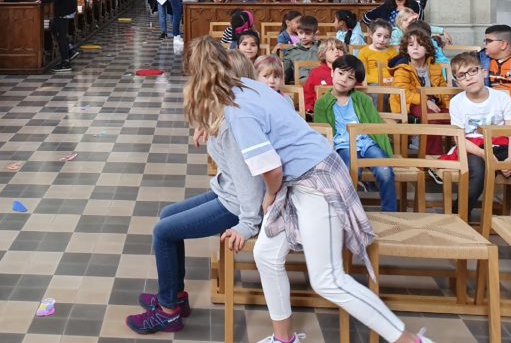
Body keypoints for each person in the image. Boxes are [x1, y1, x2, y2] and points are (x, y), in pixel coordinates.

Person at [186, 37, 436, 343]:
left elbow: (272, 169)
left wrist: (269, 195)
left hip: (316, 179)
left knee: (327, 278)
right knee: (265, 254)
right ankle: (284, 339)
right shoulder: (249, 89)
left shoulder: (239, 110)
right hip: (298, 179)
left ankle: (411, 341)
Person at [125, 41, 264, 335]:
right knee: (167, 216)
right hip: (227, 191)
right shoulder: (226, 109)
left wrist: (248, 224)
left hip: (236, 205)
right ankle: (175, 296)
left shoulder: (233, 122)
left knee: (162, 232)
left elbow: (249, 182)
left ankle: (168, 312)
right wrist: (206, 125)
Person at [313, 54, 397, 212]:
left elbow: (376, 125)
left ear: (355, 83)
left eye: (350, 77)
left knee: (385, 171)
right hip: (343, 146)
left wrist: (387, 152)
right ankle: (349, 213)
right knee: (350, 172)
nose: (344, 79)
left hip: (367, 143)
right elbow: (323, 133)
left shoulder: (363, 99)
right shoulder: (322, 104)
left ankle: (390, 212)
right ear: (332, 72)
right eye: (340, 73)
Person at [447, 52, 511, 220]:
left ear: (483, 72)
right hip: (473, 149)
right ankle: (458, 216)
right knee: (477, 174)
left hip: (499, 144)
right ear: (457, 82)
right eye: (462, 75)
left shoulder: (502, 97)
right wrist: (485, 155)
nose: (468, 77)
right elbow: (458, 138)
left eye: (472, 71)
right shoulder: (457, 102)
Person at [390, 29, 448, 155]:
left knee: (458, 117)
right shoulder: (402, 68)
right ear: (406, 49)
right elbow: (403, 93)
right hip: (410, 105)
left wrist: (450, 107)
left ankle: (458, 156)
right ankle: (433, 158)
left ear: (427, 48)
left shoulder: (435, 67)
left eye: (420, 44)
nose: (415, 47)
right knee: (431, 119)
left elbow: (443, 91)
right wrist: (425, 101)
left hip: (433, 105)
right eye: (411, 45)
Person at [304, 40, 350, 113]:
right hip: (322, 111)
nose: (336, 51)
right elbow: (308, 94)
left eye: (339, 49)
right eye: (332, 49)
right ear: (323, 54)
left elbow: (358, 91)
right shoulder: (316, 73)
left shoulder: (351, 71)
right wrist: (309, 109)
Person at [278, 15, 319, 86]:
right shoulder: (292, 51)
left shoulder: (322, 48)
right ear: (297, 32)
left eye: (308, 34)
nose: (303, 36)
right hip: (300, 85)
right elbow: (285, 74)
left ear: (314, 34)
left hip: (320, 83)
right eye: (301, 33)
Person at [357, 20, 398, 87]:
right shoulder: (363, 52)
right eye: (379, 35)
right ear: (371, 34)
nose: (382, 39)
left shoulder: (392, 51)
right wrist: (381, 80)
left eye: (386, 37)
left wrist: (394, 78)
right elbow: (363, 75)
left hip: (392, 83)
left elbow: (398, 70)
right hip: (373, 84)